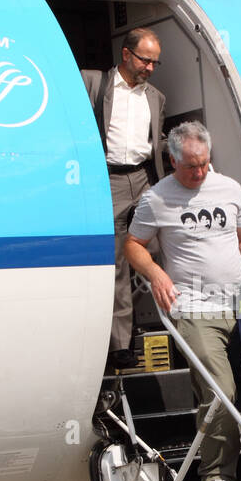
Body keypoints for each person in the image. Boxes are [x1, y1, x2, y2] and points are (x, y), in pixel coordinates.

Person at [124, 120, 241, 481]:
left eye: (204, 164)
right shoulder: (156, 199)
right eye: (191, 167)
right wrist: (157, 273)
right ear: (172, 161)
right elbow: (134, 245)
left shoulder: (228, 187)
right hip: (195, 308)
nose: (200, 173)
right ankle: (215, 472)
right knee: (220, 390)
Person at [82, 28, 166, 371]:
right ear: (127, 55)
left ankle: (171, 323)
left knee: (163, 247)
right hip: (111, 178)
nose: (149, 67)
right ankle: (120, 345)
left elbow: (156, 140)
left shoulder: (156, 97)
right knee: (118, 258)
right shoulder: (93, 83)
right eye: (145, 60)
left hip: (144, 178)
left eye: (155, 62)